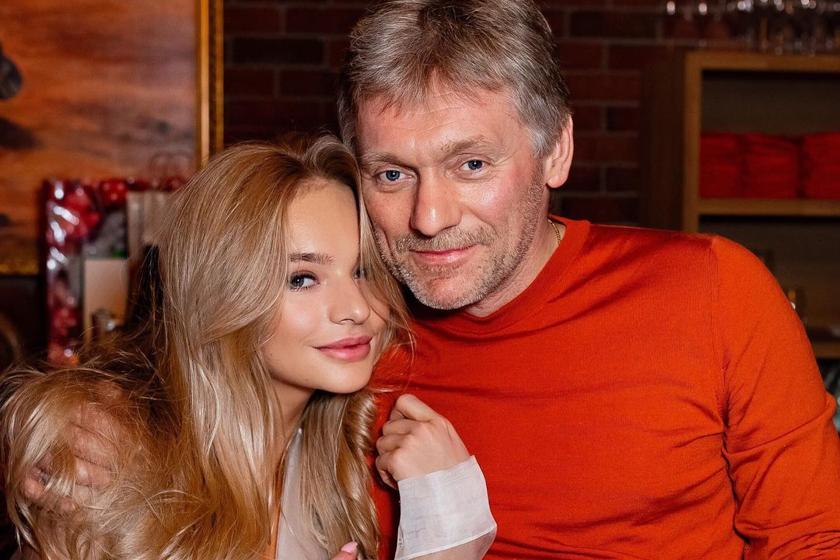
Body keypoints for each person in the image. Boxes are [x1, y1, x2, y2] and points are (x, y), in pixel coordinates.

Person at [335, 0, 840, 558]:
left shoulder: (713, 291)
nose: (429, 218)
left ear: (556, 151)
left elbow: (813, 542)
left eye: (472, 165)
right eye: (392, 174)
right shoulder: (343, 338)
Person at [0, 136, 496, 559]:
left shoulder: (345, 459)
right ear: (222, 294)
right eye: (302, 278)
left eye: (363, 271)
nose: (356, 308)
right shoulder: (106, 463)